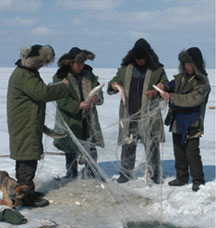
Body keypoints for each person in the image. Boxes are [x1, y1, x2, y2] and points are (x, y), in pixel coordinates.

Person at [7, 44, 70, 207]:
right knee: (27, 157)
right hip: (25, 124)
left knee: (29, 156)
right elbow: (42, 93)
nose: (42, 66)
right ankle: (26, 196)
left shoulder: (28, 73)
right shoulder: (24, 75)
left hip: (28, 123)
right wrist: (63, 87)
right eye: (40, 63)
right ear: (33, 61)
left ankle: (28, 190)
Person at [107, 38, 168, 184]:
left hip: (149, 115)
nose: (139, 61)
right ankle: (125, 173)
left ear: (148, 56)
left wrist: (159, 90)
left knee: (152, 145)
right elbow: (112, 83)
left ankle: (155, 174)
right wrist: (114, 85)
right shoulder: (125, 69)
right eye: (137, 58)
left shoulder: (157, 70)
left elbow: (165, 85)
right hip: (129, 114)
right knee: (128, 144)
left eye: (142, 58)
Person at [158, 47, 211, 192]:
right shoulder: (182, 77)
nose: (188, 67)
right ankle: (181, 177)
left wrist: (172, 97)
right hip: (178, 120)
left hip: (193, 122)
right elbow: (172, 85)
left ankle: (198, 180)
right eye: (186, 64)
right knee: (178, 151)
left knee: (192, 153)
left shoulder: (203, 81)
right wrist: (165, 86)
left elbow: (192, 99)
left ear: (197, 64)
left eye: (190, 64)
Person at [52, 47, 104, 179]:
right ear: (71, 63)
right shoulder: (60, 76)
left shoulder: (89, 74)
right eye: (78, 64)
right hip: (70, 119)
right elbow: (61, 99)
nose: (81, 66)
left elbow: (98, 90)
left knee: (90, 145)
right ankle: (71, 174)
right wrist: (78, 105)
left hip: (88, 118)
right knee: (70, 148)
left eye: (83, 63)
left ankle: (91, 173)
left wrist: (96, 98)